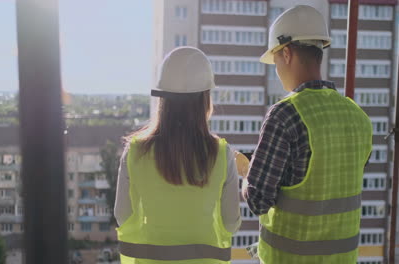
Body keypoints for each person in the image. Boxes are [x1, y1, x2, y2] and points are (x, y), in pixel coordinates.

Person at [242, 5, 373, 264]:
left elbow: (258, 199)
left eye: (276, 61)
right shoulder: (358, 116)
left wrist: (247, 172)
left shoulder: (285, 115)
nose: (276, 70)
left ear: (287, 53)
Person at [114, 47, 242, 264]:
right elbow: (231, 223)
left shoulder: (135, 151)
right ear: (205, 98)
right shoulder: (221, 153)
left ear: (162, 100)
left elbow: (122, 216)